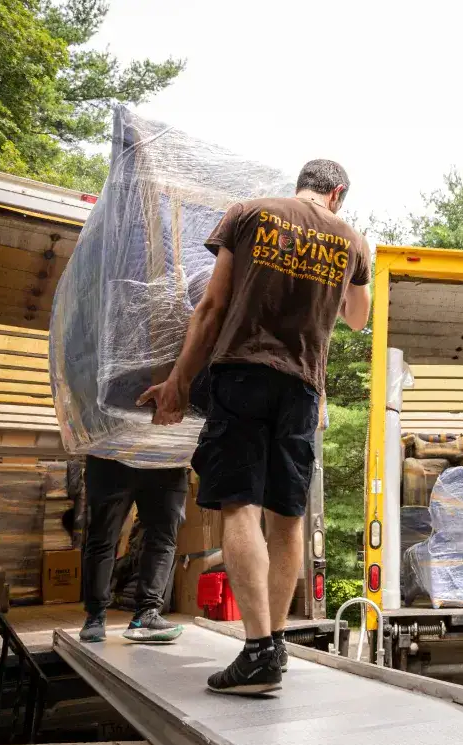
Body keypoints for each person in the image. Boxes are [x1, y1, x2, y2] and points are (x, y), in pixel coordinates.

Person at [139, 160, 371, 694]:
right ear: (336, 193)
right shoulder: (352, 240)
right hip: (302, 390)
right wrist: (356, 262)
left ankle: (258, 649)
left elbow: (212, 306)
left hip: (241, 373)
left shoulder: (248, 214)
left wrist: (178, 382)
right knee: (287, 516)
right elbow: (357, 319)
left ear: (303, 184)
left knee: (238, 505)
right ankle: (278, 644)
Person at [78, 458, 187, 643]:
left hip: (167, 459)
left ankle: (147, 613)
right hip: (112, 456)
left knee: (163, 536)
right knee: (102, 536)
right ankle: (95, 616)